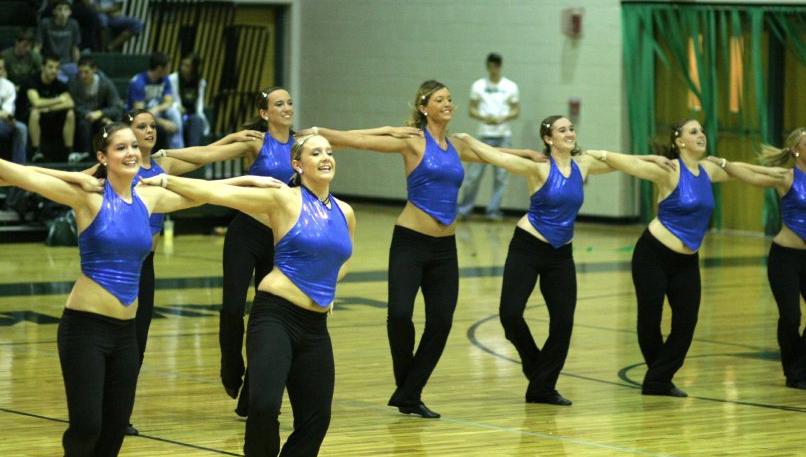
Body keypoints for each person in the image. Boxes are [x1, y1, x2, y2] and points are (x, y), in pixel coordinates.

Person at [159, 86, 411, 415]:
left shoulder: (304, 142)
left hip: (284, 239)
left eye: (290, 102)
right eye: (279, 104)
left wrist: (398, 131)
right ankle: (231, 364)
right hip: (247, 231)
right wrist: (159, 161)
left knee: (269, 314)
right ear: (265, 113)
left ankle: (253, 395)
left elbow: (351, 136)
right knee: (234, 305)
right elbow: (202, 156)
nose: (287, 108)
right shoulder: (254, 141)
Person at [307, 80, 541, 418]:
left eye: (450, 99)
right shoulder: (413, 141)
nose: (448, 104)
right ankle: (408, 388)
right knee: (400, 314)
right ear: (423, 107)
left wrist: (530, 155)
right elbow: (357, 140)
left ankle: (409, 392)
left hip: (445, 250)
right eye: (440, 99)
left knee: (441, 322)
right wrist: (316, 133)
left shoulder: (459, 143)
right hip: (410, 242)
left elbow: (497, 156)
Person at [0, 122, 211, 457]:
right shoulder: (86, 196)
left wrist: (167, 179)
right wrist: (73, 177)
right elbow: (17, 172)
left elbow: (207, 192)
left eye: (133, 146)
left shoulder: (150, 197)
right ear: (102, 156)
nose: (131, 153)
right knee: (87, 426)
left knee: (114, 431)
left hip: (126, 335)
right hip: (85, 329)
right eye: (120, 148)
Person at [141, 133, 355, 457]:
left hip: (315, 327)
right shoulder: (283, 199)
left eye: (329, 151)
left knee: (317, 418)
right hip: (276, 317)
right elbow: (217, 194)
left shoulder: (346, 211)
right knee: (264, 405)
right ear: (298, 164)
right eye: (316, 153)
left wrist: (329, 287)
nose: (326, 157)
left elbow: (344, 260)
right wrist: (168, 178)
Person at [456, 116, 672, 405]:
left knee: (563, 323)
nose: (569, 133)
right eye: (562, 130)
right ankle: (535, 366)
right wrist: (470, 140)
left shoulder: (584, 165)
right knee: (510, 315)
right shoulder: (538, 168)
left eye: (571, 128)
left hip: (561, 255)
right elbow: (496, 157)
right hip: (528, 247)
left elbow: (619, 161)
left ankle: (542, 388)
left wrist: (648, 158)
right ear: (548, 138)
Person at [601, 119, 779, 397]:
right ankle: (658, 380)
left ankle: (658, 378)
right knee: (650, 319)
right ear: (679, 142)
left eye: (702, 131)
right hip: (653, 254)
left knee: (686, 323)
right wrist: (599, 155)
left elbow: (743, 172)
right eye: (693, 132)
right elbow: (626, 163)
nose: (701, 135)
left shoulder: (708, 170)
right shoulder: (669, 170)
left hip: (687, 261)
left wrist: (782, 173)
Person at [116, 109, 264, 435]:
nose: (150, 131)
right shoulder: (109, 170)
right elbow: (72, 180)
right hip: (114, 267)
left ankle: (119, 415)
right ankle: (102, 409)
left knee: (137, 344)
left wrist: (234, 139)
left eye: (152, 126)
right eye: (142, 127)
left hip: (145, 268)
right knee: (115, 342)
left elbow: (207, 156)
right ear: (125, 133)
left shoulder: (162, 166)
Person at [707, 127, 806, 390]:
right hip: (784, 258)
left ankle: (799, 366)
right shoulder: (785, 178)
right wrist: (724, 163)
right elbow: (751, 177)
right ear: (796, 150)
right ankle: (794, 371)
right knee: (791, 317)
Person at [457, 52, 520, 221]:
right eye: (491, 66)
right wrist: (484, 117)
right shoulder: (478, 85)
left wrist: (503, 118)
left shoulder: (510, 86)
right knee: (473, 176)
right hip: (483, 136)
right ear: (488, 66)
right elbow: (472, 109)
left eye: (497, 66)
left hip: (503, 136)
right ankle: (464, 210)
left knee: (501, 177)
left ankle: (493, 211)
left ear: (500, 67)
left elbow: (515, 110)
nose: (494, 70)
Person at [17, 53, 75, 162]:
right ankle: (36, 152)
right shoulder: (31, 81)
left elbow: (70, 103)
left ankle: (69, 152)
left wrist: (49, 108)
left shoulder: (59, 84)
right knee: (35, 112)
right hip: (28, 118)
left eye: (57, 68)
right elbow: (37, 103)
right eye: (50, 67)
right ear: (43, 67)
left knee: (70, 113)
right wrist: (59, 100)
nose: (54, 71)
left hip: (50, 116)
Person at [68, 56, 122, 160]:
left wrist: (100, 113)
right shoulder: (74, 83)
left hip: (101, 117)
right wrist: (87, 114)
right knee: (84, 124)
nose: (83, 75)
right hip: (83, 117)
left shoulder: (105, 83)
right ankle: (84, 156)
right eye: (81, 72)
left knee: (108, 124)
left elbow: (116, 107)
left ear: (94, 69)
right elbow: (74, 105)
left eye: (86, 72)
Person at [126, 51, 183, 149]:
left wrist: (157, 108)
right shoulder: (139, 82)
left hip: (155, 113)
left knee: (173, 112)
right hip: (136, 117)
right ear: (160, 68)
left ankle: (178, 150)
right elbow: (140, 113)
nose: (170, 69)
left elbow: (169, 102)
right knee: (159, 126)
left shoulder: (165, 80)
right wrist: (163, 123)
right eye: (168, 67)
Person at [168, 54, 209, 147]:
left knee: (197, 120)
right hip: (178, 116)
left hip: (192, 117)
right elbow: (168, 101)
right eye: (182, 64)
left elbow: (199, 107)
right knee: (193, 122)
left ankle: (194, 154)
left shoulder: (200, 83)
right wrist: (177, 107)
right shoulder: (173, 79)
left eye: (187, 66)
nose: (183, 68)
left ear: (194, 68)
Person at [36, 0, 81, 82]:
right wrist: (39, 66)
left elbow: (75, 48)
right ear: (54, 11)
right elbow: (37, 47)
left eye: (66, 9)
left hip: (68, 64)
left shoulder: (73, 24)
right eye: (59, 9)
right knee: (62, 81)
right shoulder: (45, 23)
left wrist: (77, 65)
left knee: (90, 75)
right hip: (52, 64)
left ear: (70, 12)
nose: (63, 12)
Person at [0, 58, 27, 164]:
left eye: (0, 68)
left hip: (2, 124)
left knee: (21, 128)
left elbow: (8, 112)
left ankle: (19, 170)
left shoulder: (8, 86)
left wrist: (7, 116)